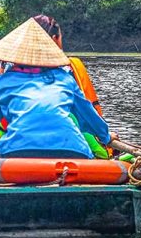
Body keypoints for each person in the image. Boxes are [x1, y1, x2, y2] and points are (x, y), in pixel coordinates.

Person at [0, 18, 113, 159]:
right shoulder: (65, 78)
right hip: (71, 150)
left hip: (18, 152)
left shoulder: (3, 82)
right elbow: (89, 118)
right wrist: (106, 137)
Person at [32, 15, 108, 158]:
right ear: (55, 38)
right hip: (70, 144)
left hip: (19, 149)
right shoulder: (66, 75)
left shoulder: (8, 77)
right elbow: (87, 114)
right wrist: (107, 137)